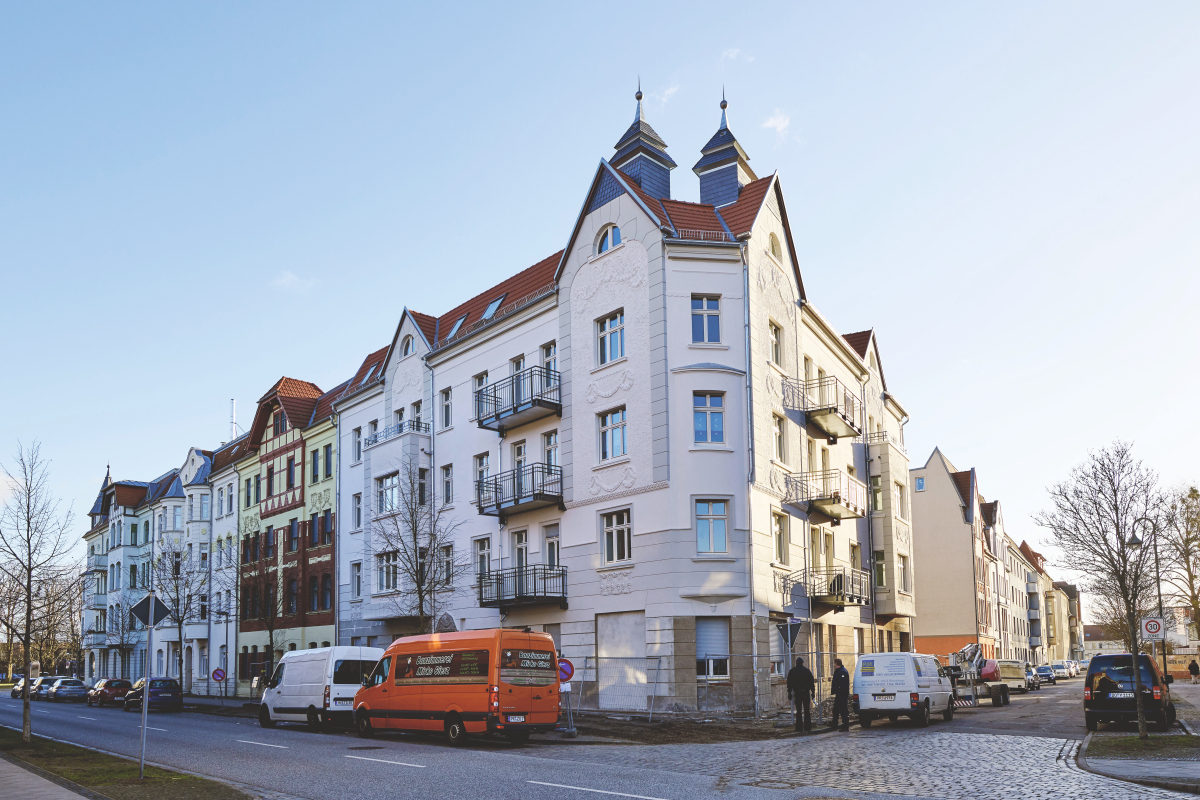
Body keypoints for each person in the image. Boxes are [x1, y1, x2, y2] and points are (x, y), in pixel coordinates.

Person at [786, 657, 815, 732]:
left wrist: (789, 693)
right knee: (806, 710)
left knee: (798, 710)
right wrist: (813, 693)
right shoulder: (807, 671)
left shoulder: (792, 671)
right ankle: (807, 727)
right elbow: (811, 683)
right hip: (805, 692)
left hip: (797, 693)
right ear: (802, 663)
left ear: (796, 663)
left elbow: (789, 684)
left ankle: (799, 727)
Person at [831, 658, 851, 732]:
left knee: (843, 710)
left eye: (835, 663)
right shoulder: (839, 671)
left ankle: (845, 725)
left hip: (841, 694)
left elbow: (843, 685)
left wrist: (839, 691)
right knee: (836, 710)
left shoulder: (842, 672)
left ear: (836, 664)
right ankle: (834, 724)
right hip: (839, 694)